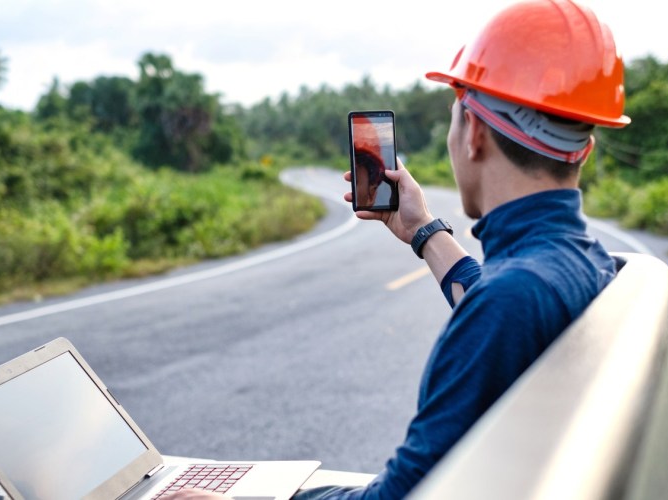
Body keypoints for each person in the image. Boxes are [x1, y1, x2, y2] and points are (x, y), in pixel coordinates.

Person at [164, 0, 629, 498]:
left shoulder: (511, 299)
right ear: (586, 147)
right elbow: (511, 306)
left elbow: (401, 497)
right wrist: (422, 230)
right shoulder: (590, 263)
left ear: (472, 134)